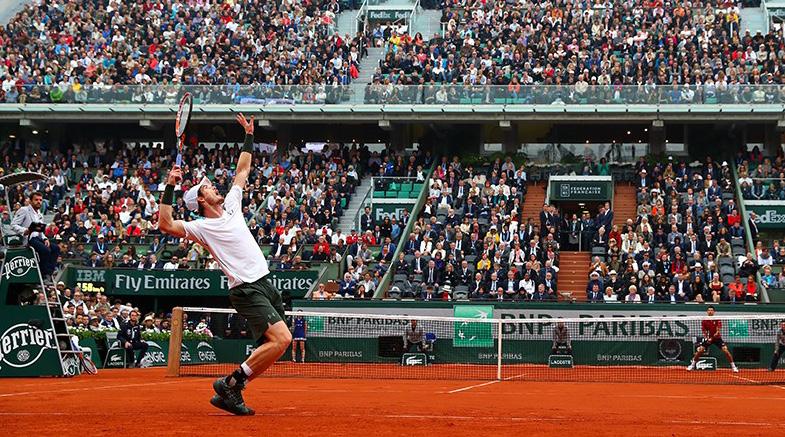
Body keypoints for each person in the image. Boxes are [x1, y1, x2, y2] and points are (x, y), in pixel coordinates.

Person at [158, 114, 291, 416]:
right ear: (201, 200)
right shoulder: (200, 227)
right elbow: (165, 224)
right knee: (282, 338)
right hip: (246, 289)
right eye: (206, 188)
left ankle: (232, 388)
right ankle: (230, 383)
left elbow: (242, 169)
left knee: (277, 345)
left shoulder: (232, 204)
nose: (213, 187)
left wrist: (249, 135)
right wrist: (169, 186)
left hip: (265, 283)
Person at [10, 191, 60, 276]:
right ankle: (43, 273)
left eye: (40, 200)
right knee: (45, 250)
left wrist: (45, 238)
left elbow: (40, 230)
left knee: (55, 248)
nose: (39, 202)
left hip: (38, 238)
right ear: (30, 201)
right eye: (36, 200)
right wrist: (24, 230)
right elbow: (13, 225)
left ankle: (50, 272)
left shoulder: (39, 214)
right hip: (29, 238)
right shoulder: (24, 210)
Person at [687, 306, 739, 373]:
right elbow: (704, 331)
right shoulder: (704, 320)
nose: (710, 311)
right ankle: (692, 365)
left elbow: (718, 331)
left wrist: (713, 337)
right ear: (707, 312)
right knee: (700, 350)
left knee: (725, 350)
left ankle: (733, 367)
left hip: (717, 338)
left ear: (714, 312)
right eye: (709, 310)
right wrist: (707, 338)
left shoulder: (717, 319)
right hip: (708, 338)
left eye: (711, 310)